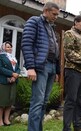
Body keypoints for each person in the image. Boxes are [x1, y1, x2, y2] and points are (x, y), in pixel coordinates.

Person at [21, 2, 60, 131]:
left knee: (44, 102)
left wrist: (57, 71)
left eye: (57, 15)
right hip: (41, 66)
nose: (56, 17)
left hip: (52, 67)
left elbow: (55, 49)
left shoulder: (51, 27)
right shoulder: (34, 21)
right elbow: (26, 43)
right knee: (37, 101)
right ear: (46, 11)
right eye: (54, 14)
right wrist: (30, 67)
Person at [63, 15, 81, 131]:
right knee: (71, 100)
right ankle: (67, 128)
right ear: (76, 22)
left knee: (80, 101)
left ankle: (78, 126)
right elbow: (68, 53)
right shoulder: (69, 34)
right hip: (72, 71)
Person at [0, 41, 20, 126]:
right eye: (8, 47)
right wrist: (11, 74)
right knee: (2, 103)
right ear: (3, 48)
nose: (10, 48)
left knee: (10, 102)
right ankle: (0, 121)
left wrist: (15, 76)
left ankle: (6, 120)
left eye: (10, 47)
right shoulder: (1, 57)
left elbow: (18, 68)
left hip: (13, 82)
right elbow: (0, 68)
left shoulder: (13, 58)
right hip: (4, 82)